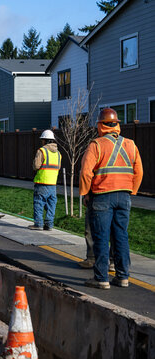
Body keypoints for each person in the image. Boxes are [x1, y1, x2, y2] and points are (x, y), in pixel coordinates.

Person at [79, 108, 143, 289]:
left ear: (100, 125)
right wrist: (132, 191)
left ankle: (101, 279)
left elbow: (85, 173)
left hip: (101, 197)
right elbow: (139, 171)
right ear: (117, 125)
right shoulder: (131, 144)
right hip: (124, 196)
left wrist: (85, 193)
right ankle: (123, 277)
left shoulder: (96, 145)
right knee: (121, 236)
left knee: (101, 237)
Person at [29, 130, 62, 231]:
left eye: (42, 140)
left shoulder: (42, 151)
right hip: (53, 184)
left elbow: (36, 166)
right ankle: (49, 225)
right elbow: (58, 167)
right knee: (51, 204)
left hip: (42, 182)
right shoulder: (58, 154)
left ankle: (38, 224)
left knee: (39, 203)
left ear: (45, 141)